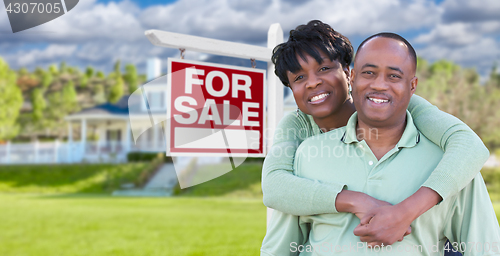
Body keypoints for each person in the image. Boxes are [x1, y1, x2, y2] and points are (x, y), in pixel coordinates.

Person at [261, 20, 489, 254]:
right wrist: (355, 200)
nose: (313, 82)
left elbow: (469, 145)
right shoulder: (299, 131)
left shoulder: (404, 105)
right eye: (299, 78)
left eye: (323, 68)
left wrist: (404, 213)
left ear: (348, 74)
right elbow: (275, 186)